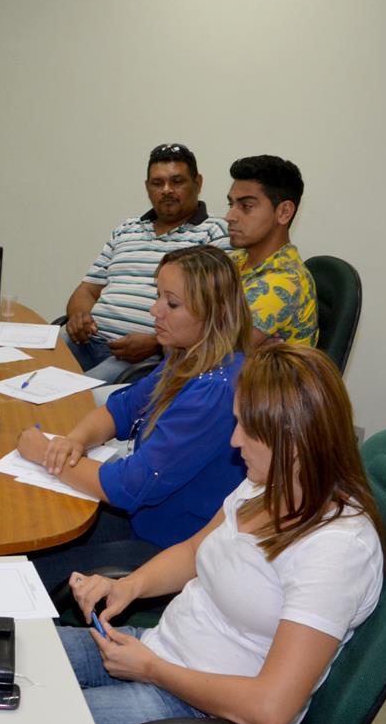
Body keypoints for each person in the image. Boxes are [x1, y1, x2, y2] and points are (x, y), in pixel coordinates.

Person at [58, 344, 386, 724]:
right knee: (22, 658)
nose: (234, 440)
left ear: (293, 442)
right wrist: (128, 586)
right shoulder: (264, 484)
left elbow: (270, 708)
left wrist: (152, 670)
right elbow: (195, 550)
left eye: (247, 428)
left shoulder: (337, 549)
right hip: (160, 651)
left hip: (206, 716)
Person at [21, 246, 251, 591]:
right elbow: (122, 409)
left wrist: (45, 454)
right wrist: (75, 440)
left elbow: (128, 486)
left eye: (172, 303)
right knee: (32, 525)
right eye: (158, 296)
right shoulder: (187, 358)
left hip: (166, 545)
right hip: (143, 518)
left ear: (213, 313)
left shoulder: (213, 392)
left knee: (26, 573)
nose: (155, 310)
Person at [64, 143, 229, 382]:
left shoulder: (215, 233)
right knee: (24, 367)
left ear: (198, 183)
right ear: (147, 187)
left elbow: (214, 314)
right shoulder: (126, 229)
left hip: (142, 358)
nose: (167, 190)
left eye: (177, 181)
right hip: (86, 340)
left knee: (74, 395)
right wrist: (78, 317)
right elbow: (87, 290)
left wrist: (157, 343)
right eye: (157, 183)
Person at [226, 155, 319, 347]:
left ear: (284, 212)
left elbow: (208, 353)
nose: (229, 216)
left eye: (246, 206)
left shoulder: (283, 282)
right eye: (231, 204)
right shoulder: (236, 259)